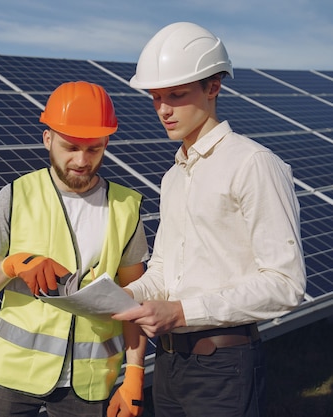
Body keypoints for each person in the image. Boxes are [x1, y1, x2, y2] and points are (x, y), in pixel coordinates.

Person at [111, 22, 307, 417]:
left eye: (177, 95)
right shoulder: (174, 176)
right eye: (155, 97)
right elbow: (166, 270)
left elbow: (286, 284)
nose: (163, 109)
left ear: (213, 87)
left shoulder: (253, 164)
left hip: (224, 369)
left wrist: (183, 312)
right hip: (166, 367)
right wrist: (124, 296)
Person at [0, 80, 150, 417]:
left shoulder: (126, 207)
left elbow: (135, 298)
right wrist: (11, 265)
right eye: (70, 147)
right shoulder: (17, 196)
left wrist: (134, 373)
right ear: (47, 137)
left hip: (92, 382)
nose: (81, 160)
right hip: (13, 377)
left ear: (107, 141)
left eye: (94, 149)